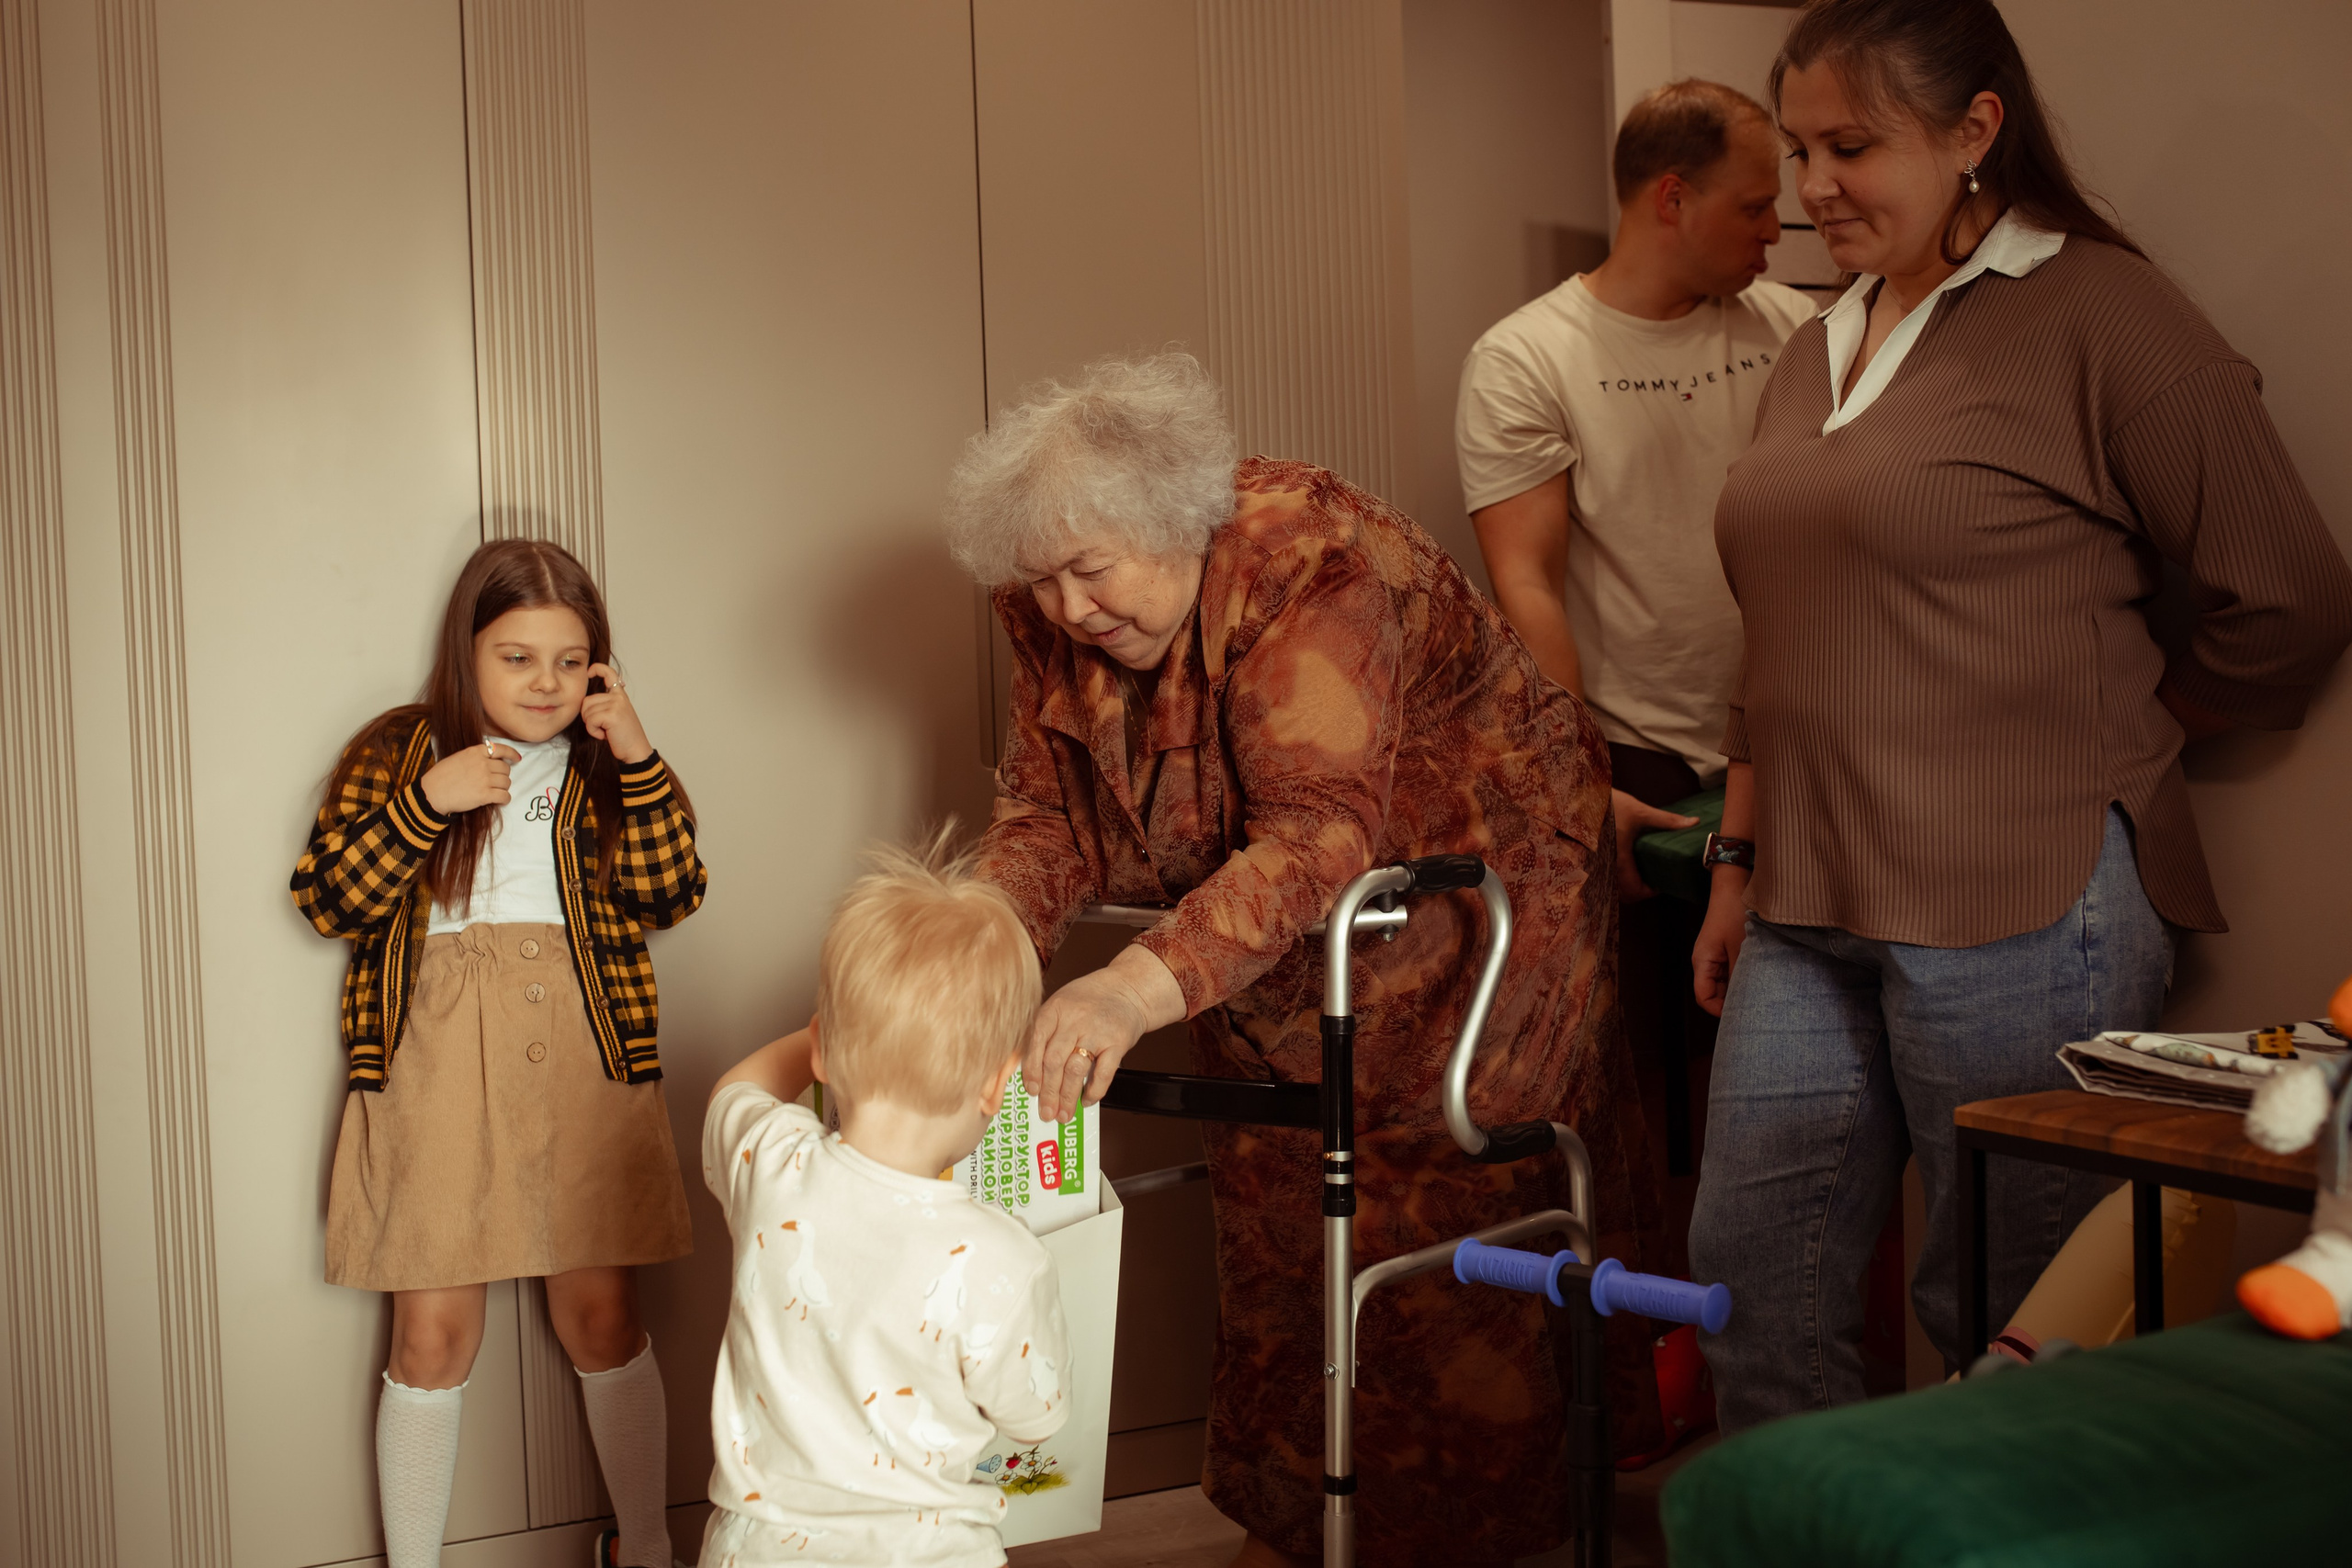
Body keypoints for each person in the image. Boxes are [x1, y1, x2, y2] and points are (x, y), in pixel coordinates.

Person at [1686, 0, 2352, 1434]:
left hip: (2026, 897)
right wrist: (1735, 865)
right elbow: (1781, 634)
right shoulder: (1818, 337)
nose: (1813, 189)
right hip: (1806, 892)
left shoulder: (2100, 310)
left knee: (2003, 1312)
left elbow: (2288, 589)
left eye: (1852, 147)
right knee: (1753, 1278)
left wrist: (2127, 726)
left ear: (1976, 130)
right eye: (1799, 149)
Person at [946, 353, 1659, 1568]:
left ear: (1175, 522)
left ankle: (1470, 1536)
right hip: (1277, 930)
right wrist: (965, 959)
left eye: (1089, 571)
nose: (1067, 608)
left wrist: (1125, 986)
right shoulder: (1052, 600)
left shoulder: (1303, 556)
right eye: (1043, 579)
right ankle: (1304, 1525)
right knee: (1281, 1216)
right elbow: (1046, 814)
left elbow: (1323, 830)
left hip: (1478, 895)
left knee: (1440, 1208)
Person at [291, 538, 707, 1568]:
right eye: (517, 657)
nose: (546, 683)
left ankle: (647, 1547)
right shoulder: (400, 750)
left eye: (571, 661)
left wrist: (640, 756)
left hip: (583, 1047)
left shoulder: (616, 764)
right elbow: (326, 898)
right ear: (466, 651)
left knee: (603, 1317)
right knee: (430, 1336)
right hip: (433, 1056)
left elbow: (672, 895)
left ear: (599, 667)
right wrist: (429, 800)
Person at [1458, 78, 1815, 891]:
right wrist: (1581, 782)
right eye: (1754, 207)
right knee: (1655, 1010)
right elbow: (1527, 584)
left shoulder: (1796, 327)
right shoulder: (1525, 359)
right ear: (1674, 199)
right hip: (1636, 753)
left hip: (1787, 735)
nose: (1776, 230)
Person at [698, 834, 1070, 1568]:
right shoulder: (1001, 1256)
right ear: (999, 1084)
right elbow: (1037, 1417)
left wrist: (835, 1036)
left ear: (820, 1051)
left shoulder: (774, 1165)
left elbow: (733, 1090)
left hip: (758, 1549)